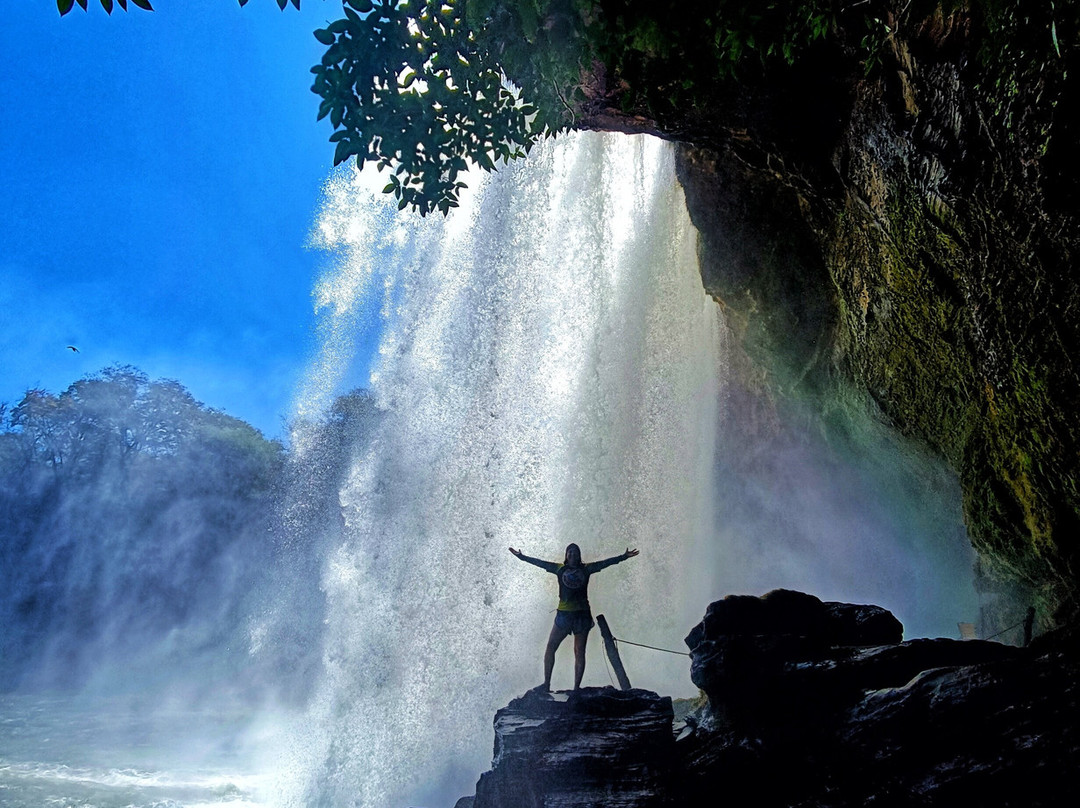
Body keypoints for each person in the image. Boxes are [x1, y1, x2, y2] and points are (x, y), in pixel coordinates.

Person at [509, 542, 639, 691]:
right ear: (566, 555)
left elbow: (605, 563)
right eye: (569, 552)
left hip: (582, 616)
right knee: (551, 647)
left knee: (579, 651)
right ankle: (546, 684)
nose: (572, 554)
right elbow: (540, 563)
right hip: (563, 615)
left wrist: (623, 556)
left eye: (575, 552)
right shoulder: (559, 569)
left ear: (579, 556)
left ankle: (576, 688)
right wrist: (522, 557)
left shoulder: (586, 569)